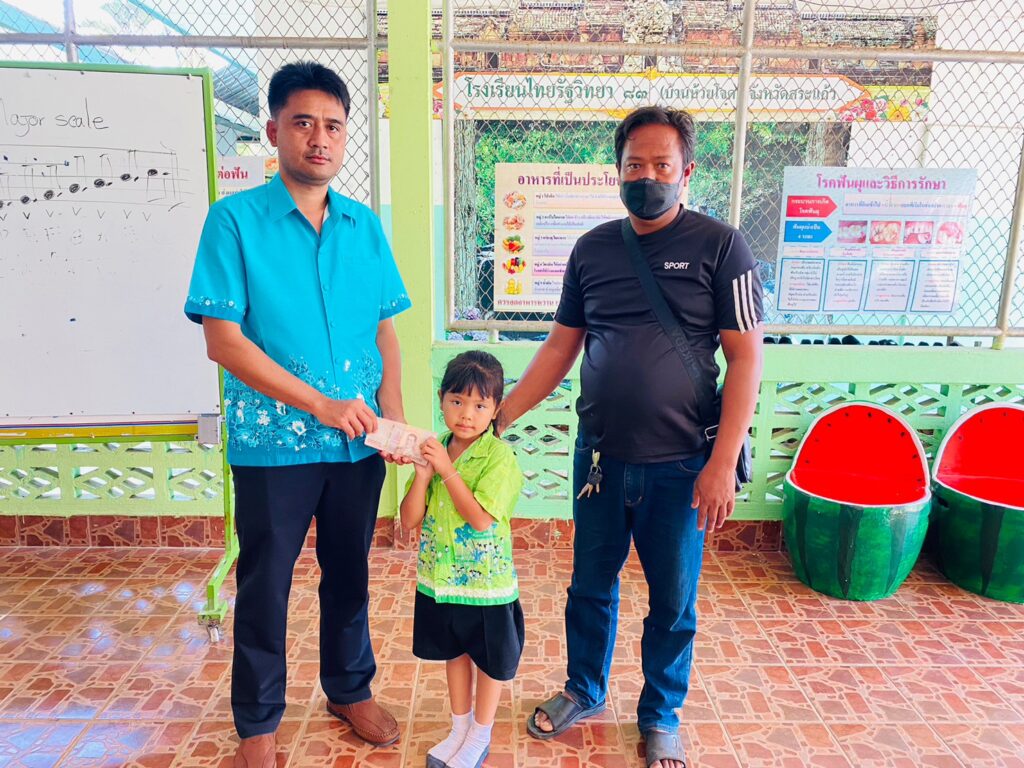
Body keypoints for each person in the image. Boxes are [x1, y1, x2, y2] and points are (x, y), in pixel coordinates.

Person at [496, 106, 764, 768]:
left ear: (687, 171)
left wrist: (721, 463)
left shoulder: (723, 247)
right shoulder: (592, 250)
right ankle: (584, 689)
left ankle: (661, 715)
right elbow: (560, 347)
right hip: (600, 460)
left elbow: (746, 358)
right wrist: (500, 417)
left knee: (673, 602)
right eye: (634, 165)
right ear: (616, 171)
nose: (647, 177)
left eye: (661, 165)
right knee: (590, 586)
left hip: (683, 467)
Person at [184, 61, 411, 768]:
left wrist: (394, 422)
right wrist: (320, 405)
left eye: (334, 126)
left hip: (357, 447)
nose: (320, 139)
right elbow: (223, 341)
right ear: (274, 129)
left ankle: (349, 689)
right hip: (273, 447)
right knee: (266, 583)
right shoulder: (234, 222)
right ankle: (257, 724)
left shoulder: (364, 227)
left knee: (350, 573)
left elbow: (384, 331)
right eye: (304, 123)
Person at [400, 351, 525, 768]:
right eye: (456, 401)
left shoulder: (499, 459)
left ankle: (480, 735)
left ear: (495, 409)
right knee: (454, 653)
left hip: (485, 586)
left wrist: (446, 471)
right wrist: (423, 476)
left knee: (488, 662)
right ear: (441, 399)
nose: (466, 414)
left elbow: (480, 519)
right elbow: (409, 519)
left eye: (479, 405)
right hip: (441, 581)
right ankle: (459, 729)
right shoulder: (435, 449)